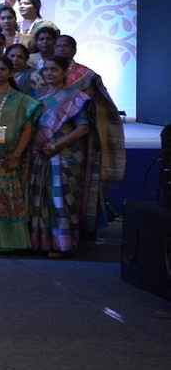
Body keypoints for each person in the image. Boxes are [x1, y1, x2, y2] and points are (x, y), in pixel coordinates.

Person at [54, 34, 125, 236]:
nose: (62, 49)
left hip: (80, 138)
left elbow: (102, 104)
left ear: (74, 50)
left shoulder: (87, 76)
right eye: (58, 45)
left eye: (66, 46)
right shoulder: (46, 72)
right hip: (50, 137)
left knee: (78, 183)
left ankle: (80, 230)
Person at [0, 57, 41, 252]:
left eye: (3, 69)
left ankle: (9, 241)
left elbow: (28, 128)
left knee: (7, 196)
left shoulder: (21, 99)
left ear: (10, 72)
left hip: (9, 155)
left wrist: (17, 154)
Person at [29, 57, 92, 257]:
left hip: (64, 154)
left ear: (65, 72)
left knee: (61, 199)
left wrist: (57, 145)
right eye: (46, 70)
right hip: (41, 154)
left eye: (54, 70)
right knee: (42, 197)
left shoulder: (75, 97)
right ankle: (43, 243)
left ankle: (63, 245)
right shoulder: (38, 96)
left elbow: (83, 128)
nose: (49, 73)